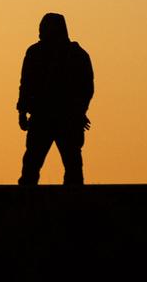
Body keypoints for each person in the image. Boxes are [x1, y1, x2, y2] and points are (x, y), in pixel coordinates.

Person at [16, 13, 94, 186]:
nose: (41, 32)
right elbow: (26, 84)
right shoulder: (35, 53)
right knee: (31, 165)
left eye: (45, 28)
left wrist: (79, 112)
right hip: (45, 117)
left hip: (64, 118)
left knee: (72, 165)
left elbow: (86, 88)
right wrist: (22, 111)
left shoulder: (76, 55)